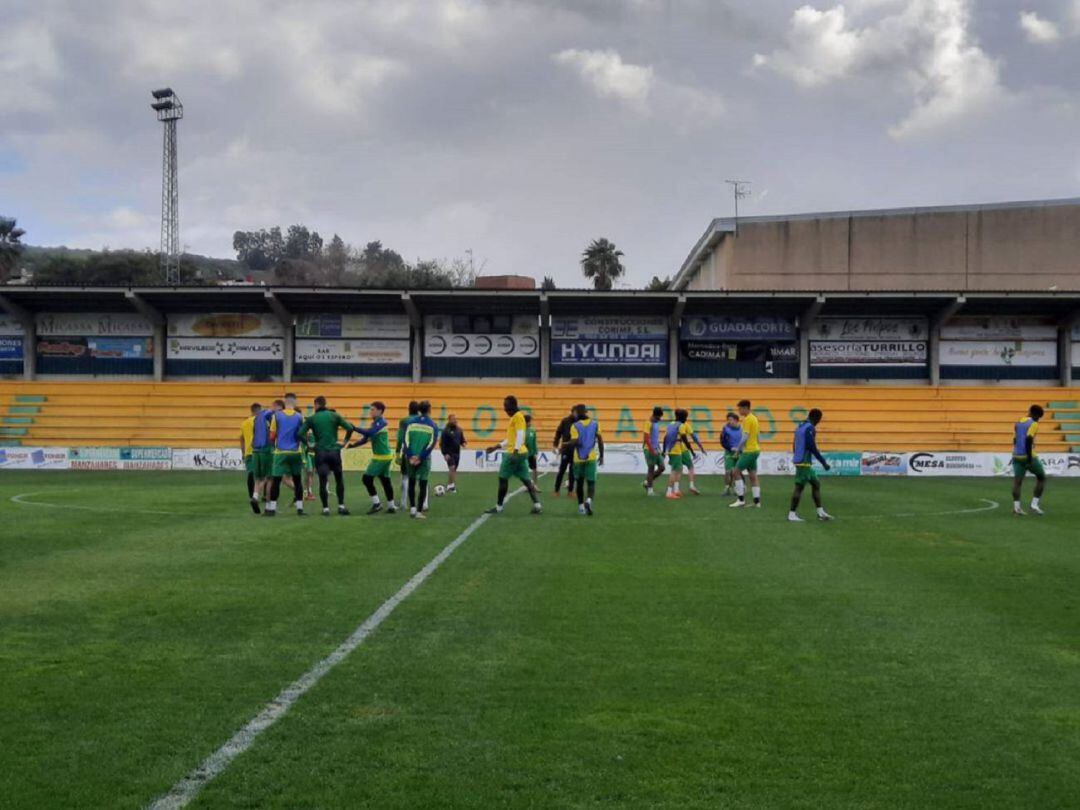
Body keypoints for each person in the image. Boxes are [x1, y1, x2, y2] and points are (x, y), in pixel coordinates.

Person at [485, 395, 543, 514]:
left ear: (511, 406)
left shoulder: (517, 417)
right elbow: (511, 439)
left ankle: (499, 507)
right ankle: (537, 505)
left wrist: (515, 452)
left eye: (505, 406)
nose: (504, 409)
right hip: (522, 453)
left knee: (503, 478)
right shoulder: (518, 417)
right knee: (527, 480)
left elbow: (521, 435)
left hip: (515, 453)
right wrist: (496, 447)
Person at [298, 395, 355, 517]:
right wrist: (344, 442)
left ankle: (325, 509)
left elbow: (299, 433)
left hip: (321, 452)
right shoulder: (334, 415)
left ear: (316, 405)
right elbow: (350, 428)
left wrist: (309, 444)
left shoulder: (312, 418)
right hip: (334, 451)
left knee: (323, 481)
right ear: (325, 404)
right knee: (339, 479)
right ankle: (341, 506)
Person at [349, 400, 398, 515]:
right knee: (385, 480)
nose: (370, 412)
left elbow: (370, 433)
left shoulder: (382, 423)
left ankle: (377, 504)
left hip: (381, 457)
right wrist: (354, 445)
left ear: (380, 411)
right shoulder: (376, 423)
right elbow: (367, 437)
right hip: (385, 456)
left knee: (366, 479)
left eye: (372, 409)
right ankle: (391, 506)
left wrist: (354, 428)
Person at [788, 408, 833, 522]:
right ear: (817, 418)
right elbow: (812, 447)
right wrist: (823, 463)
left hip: (802, 460)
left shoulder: (801, 426)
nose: (819, 422)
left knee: (816, 484)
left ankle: (820, 512)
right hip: (804, 462)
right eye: (819, 420)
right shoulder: (810, 428)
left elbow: (794, 442)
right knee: (799, 487)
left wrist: (796, 455)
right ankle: (792, 514)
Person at [265, 394, 306, 517]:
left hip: (280, 452)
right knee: (297, 480)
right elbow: (302, 434)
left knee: (276, 481)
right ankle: (300, 509)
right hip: (295, 452)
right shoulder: (299, 417)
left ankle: (272, 509)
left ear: (285, 402)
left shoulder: (276, 416)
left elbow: (272, 436)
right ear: (294, 402)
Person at [563, 403, 603, 516]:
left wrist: (565, 444)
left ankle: (581, 507)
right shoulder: (595, 424)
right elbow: (600, 440)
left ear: (577, 413)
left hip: (578, 458)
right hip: (591, 457)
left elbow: (575, 441)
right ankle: (589, 501)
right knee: (591, 482)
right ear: (585, 412)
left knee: (579, 483)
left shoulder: (575, 426)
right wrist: (602, 455)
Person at [404, 400, 438, 519]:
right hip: (423, 459)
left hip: (410, 458)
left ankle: (412, 509)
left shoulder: (410, 423)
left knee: (411, 482)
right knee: (423, 484)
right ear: (429, 410)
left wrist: (410, 455)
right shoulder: (433, 425)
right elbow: (431, 444)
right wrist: (421, 457)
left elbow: (406, 440)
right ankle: (419, 511)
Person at [1012, 404, 1047, 516]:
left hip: (1016, 455)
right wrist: (1029, 458)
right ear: (1034, 414)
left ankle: (1016, 509)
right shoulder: (1033, 423)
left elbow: (1014, 439)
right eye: (1038, 417)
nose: (1038, 420)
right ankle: (1034, 506)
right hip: (1027, 455)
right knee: (1041, 477)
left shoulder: (1018, 422)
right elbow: (1029, 439)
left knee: (1017, 482)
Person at [730, 399, 762, 509]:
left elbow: (745, 436)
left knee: (735, 472)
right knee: (753, 476)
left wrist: (738, 450)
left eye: (739, 408)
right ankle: (757, 502)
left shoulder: (747, 420)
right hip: (755, 450)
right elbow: (757, 436)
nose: (738, 410)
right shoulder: (754, 418)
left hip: (749, 451)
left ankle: (740, 500)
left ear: (745, 408)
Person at [248, 401, 275, 510]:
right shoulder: (267, 415)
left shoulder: (254, 420)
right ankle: (269, 507)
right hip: (266, 450)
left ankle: (255, 496)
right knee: (268, 478)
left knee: (258, 478)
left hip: (255, 451)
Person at [663, 409, 693, 499]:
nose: (686, 419)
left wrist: (665, 449)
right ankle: (669, 492)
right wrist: (691, 450)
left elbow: (665, 437)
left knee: (678, 469)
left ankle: (675, 490)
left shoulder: (671, 425)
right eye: (685, 417)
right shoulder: (680, 426)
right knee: (674, 471)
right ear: (682, 417)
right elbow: (684, 439)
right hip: (675, 450)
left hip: (674, 450)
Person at [240, 402, 263, 514]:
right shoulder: (259, 422)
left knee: (251, 472)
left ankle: (252, 495)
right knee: (261, 475)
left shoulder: (244, 423)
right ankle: (257, 496)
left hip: (248, 452)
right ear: (258, 411)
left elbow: (241, 438)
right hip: (258, 451)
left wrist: (243, 451)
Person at [552, 406, 577, 497]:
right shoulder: (565, 421)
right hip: (566, 450)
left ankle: (570, 491)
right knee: (562, 470)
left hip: (575, 450)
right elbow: (558, 433)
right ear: (573, 412)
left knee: (572, 471)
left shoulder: (579, 422)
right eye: (576, 412)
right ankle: (556, 490)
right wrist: (555, 444)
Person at [439, 413, 466, 493]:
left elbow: (462, 440)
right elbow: (442, 444)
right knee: (452, 467)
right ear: (449, 420)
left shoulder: (459, 430)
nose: (455, 420)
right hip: (449, 453)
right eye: (453, 419)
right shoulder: (445, 431)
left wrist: (463, 443)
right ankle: (451, 486)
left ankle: (450, 485)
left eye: (455, 419)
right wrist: (444, 454)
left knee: (454, 470)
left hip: (457, 453)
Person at [396, 400, 420, 493]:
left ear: (408, 409)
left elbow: (400, 437)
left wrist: (398, 453)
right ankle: (424, 504)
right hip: (420, 452)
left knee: (405, 476)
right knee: (422, 478)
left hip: (407, 451)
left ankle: (403, 502)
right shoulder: (422, 420)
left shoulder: (404, 421)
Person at [641, 406, 665, 496]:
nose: (660, 419)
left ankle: (647, 482)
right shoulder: (648, 423)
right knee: (651, 469)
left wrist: (659, 449)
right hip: (649, 449)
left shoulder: (656, 424)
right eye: (660, 417)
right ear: (656, 415)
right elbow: (646, 438)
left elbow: (655, 438)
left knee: (662, 467)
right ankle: (650, 490)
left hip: (656, 448)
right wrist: (651, 450)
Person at [680, 415, 707, 495]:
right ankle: (691, 485)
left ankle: (674, 489)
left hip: (672, 450)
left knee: (676, 468)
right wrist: (700, 448)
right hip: (682, 449)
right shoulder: (685, 425)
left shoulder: (672, 424)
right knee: (690, 466)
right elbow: (694, 437)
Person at [720, 412, 742, 497]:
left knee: (736, 472)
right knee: (728, 471)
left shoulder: (742, 429)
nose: (729, 422)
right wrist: (730, 448)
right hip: (729, 452)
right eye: (728, 420)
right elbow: (722, 441)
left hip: (740, 452)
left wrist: (741, 449)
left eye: (731, 420)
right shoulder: (725, 429)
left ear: (736, 420)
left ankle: (738, 488)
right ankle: (727, 488)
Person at [524, 412, 540, 488]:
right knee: (525, 470)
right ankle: (528, 485)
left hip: (531, 454)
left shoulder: (533, 430)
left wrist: (535, 452)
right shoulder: (521, 431)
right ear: (526, 422)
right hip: (523, 454)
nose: (531, 423)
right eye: (530, 421)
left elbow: (534, 442)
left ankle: (535, 485)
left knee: (535, 469)